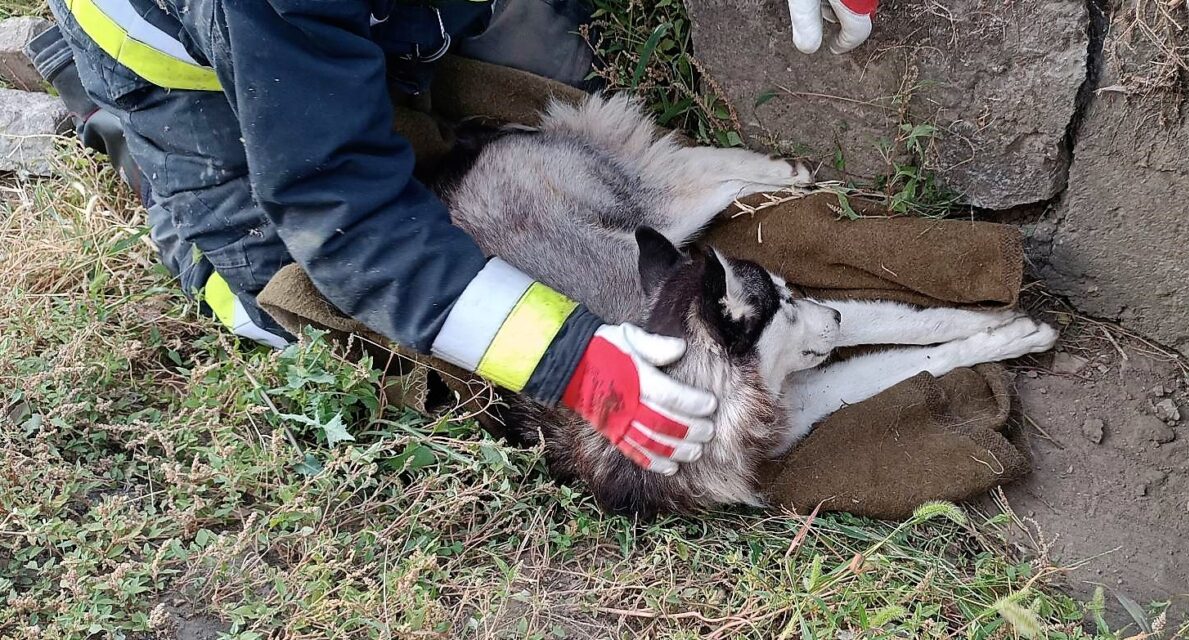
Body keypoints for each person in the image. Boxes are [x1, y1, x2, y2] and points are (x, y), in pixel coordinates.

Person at [29, 0, 718, 476]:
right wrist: (572, 359)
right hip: (193, 65)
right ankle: (110, 111)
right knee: (288, 307)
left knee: (557, 76)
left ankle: (375, 68)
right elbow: (347, 221)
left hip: (346, 21)